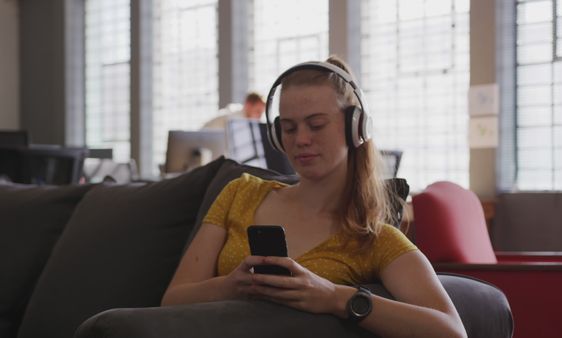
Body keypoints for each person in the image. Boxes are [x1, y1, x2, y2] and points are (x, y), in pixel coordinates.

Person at [162, 56, 467, 338]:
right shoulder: (240, 192)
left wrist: (336, 298)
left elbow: (452, 330)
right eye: (289, 128)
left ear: (355, 128)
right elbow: (171, 301)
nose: (301, 140)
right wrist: (232, 286)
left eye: (316, 125)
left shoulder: (371, 238)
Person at [201, 92, 266, 130]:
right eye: (258, 111)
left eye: (261, 113)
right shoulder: (233, 118)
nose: (259, 117)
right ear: (248, 105)